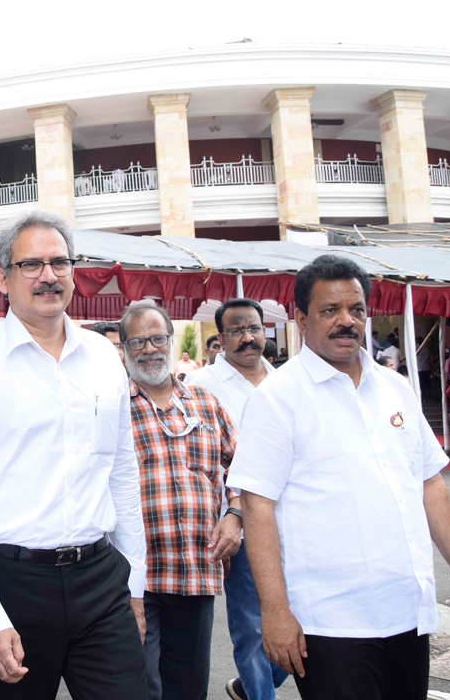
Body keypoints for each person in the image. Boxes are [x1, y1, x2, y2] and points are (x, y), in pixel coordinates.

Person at [229, 254, 450, 700]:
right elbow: (258, 507)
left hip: (407, 614)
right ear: (301, 319)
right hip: (330, 623)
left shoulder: (396, 388)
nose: (345, 321)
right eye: (329, 311)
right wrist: (274, 612)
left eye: (355, 309)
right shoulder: (278, 399)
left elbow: (430, 483)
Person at [0, 210, 148, 699]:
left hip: (101, 581)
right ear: (1, 277)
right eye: (31, 265)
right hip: (11, 586)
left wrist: (133, 585)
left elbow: (121, 472)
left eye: (60, 262)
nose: (48, 276)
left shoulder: (102, 357)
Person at [121, 301, 240, 700]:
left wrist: (235, 513)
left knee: (188, 687)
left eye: (157, 338)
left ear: (171, 342)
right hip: (136, 577)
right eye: (137, 341)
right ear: (123, 349)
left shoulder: (205, 403)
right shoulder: (113, 408)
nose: (149, 349)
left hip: (195, 573)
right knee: (143, 686)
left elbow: (244, 465)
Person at [185, 299, 287, 700]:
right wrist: (226, 516)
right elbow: (197, 463)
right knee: (250, 622)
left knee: (302, 614)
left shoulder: (285, 382)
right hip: (239, 521)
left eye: (255, 329)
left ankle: (251, 687)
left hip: (294, 519)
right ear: (220, 338)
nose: (248, 338)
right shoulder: (200, 389)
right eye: (237, 331)